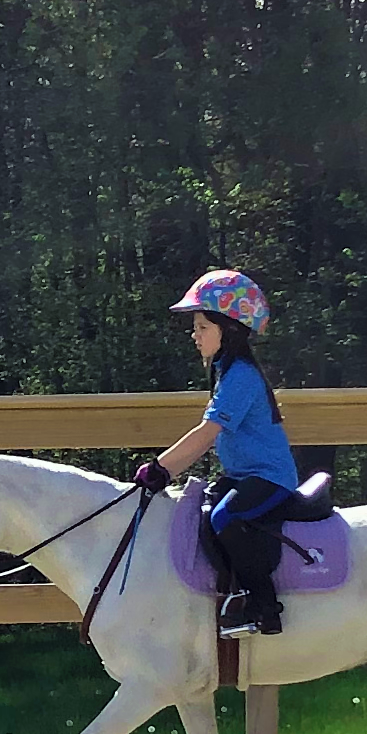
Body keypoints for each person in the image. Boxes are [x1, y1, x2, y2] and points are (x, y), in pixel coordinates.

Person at [129, 269, 299, 637]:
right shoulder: (227, 370)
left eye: (203, 327)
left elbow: (207, 434)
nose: (195, 335)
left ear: (230, 330)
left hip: (268, 478)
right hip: (243, 475)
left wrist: (161, 468)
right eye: (195, 327)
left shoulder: (241, 376)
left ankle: (264, 607)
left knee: (225, 518)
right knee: (200, 510)